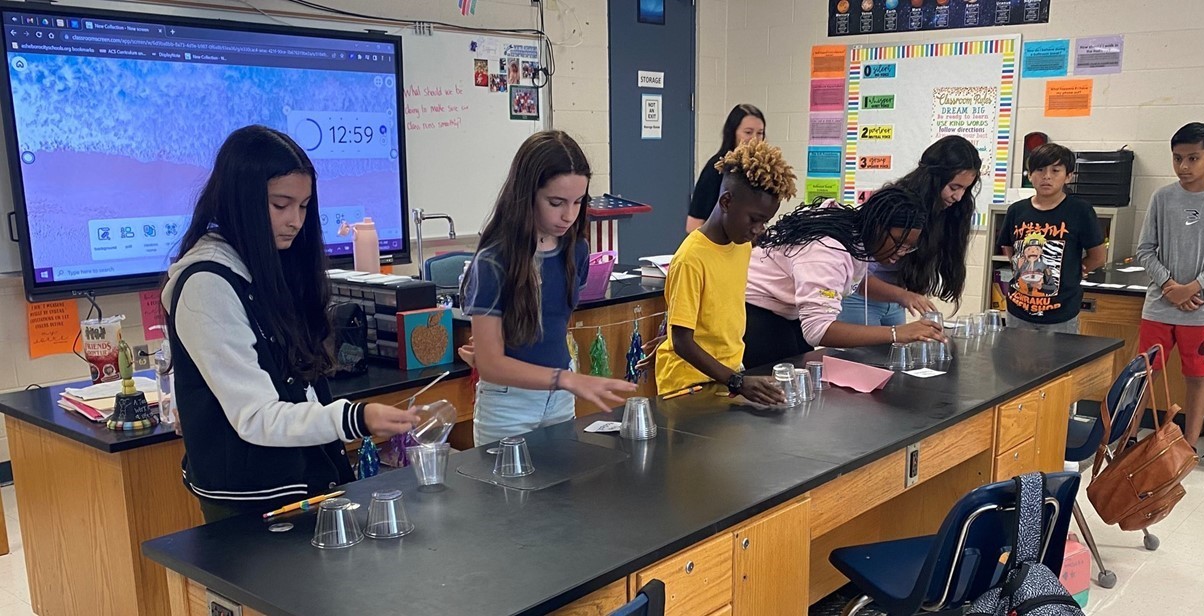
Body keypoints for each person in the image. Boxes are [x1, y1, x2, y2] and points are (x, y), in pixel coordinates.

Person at [162, 126, 419, 523]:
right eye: (280, 205)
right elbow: (256, 416)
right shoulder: (206, 284)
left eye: (303, 206)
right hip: (251, 501)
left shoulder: (270, 264)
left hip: (303, 481)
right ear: (241, 200)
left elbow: (302, 386)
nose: (294, 221)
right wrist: (353, 418)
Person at [462, 130, 636, 445]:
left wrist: (562, 379)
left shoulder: (576, 250)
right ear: (527, 193)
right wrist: (565, 377)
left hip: (558, 400)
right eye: (556, 202)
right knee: (507, 493)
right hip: (508, 405)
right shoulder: (494, 261)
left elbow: (550, 325)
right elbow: (490, 365)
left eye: (578, 202)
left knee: (559, 491)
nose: (568, 215)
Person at [742, 188, 945, 369]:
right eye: (899, 243)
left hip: (783, 310)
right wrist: (896, 333)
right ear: (877, 226)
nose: (902, 252)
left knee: (800, 373)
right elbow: (818, 331)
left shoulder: (856, 236)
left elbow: (851, 281)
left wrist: (902, 296)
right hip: (755, 310)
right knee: (780, 385)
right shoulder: (827, 250)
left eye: (909, 247)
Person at [655, 139, 793, 406]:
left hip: (726, 376)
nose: (759, 229)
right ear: (727, 201)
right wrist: (737, 381)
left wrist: (734, 377)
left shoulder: (740, 245)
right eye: (754, 219)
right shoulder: (691, 258)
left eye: (765, 221)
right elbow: (682, 342)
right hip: (688, 385)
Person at [1135, 122, 1204, 449]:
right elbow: (1144, 250)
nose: (1184, 167)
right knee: (1144, 378)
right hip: (1159, 306)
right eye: (1177, 158)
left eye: (1193, 158)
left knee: (1197, 377)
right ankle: (1127, 439)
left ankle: (1189, 445)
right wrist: (1170, 286)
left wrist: (1193, 287)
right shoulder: (1162, 197)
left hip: (1202, 309)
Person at [838, 135, 982, 325]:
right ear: (934, 178)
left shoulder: (949, 212)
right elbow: (857, 278)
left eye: (965, 189)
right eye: (954, 187)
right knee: (864, 354)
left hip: (894, 302)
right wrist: (905, 296)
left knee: (896, 353)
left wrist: (905, 296)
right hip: (861, 300)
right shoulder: (894, 207)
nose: (958, 196)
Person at [997, 144, 1106, 333]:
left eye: (1055, 171)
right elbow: (1008, 246)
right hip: (1018, 310)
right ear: (1030, 175)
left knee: (1059, 361)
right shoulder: (1017, 210)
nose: (1047, 176)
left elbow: (1098, 256)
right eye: (1039, 170)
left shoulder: (1080, 211)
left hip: (1060, 312)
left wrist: (1074, 270)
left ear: (1068, 176)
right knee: (1015, 360)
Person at [687, 104, 766, 232]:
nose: (754, 139)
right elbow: (693, 225)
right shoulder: (716, 168)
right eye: (748, 132)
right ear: (733, 133)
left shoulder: (763, 170)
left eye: (760, 133)